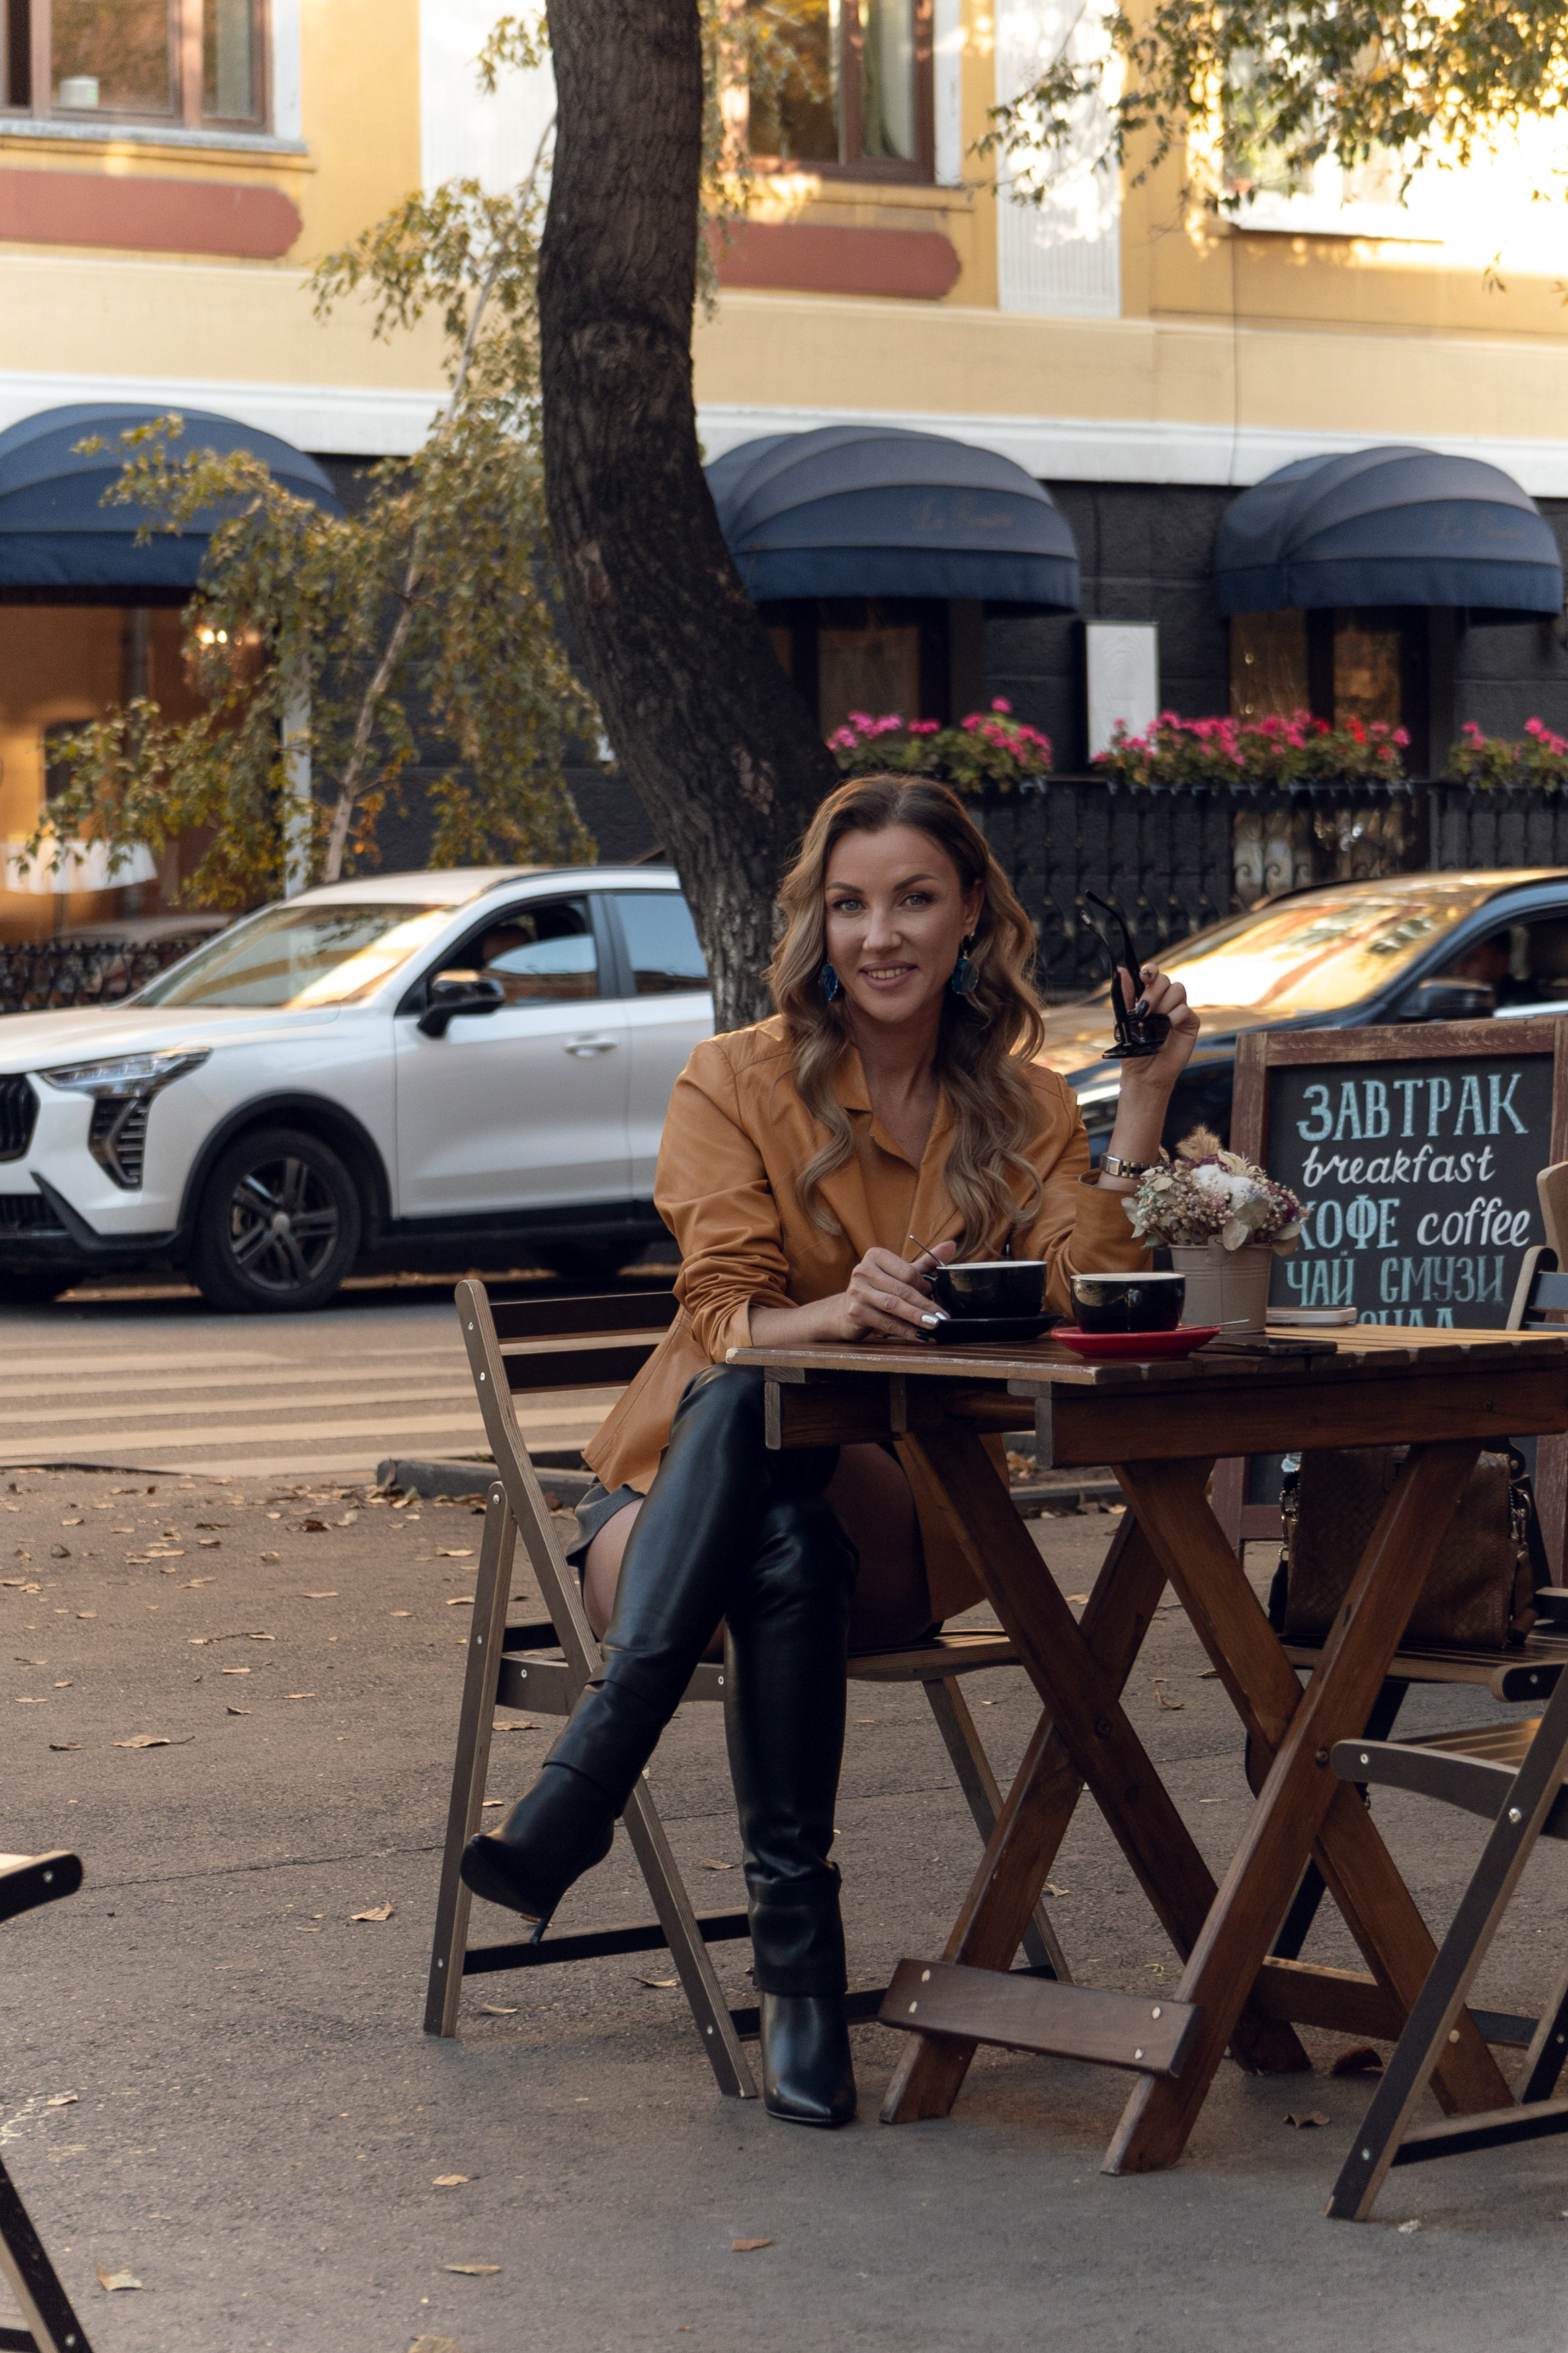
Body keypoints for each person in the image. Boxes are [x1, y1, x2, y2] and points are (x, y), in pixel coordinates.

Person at [461, 774, 1199, 2126]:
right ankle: (799, 1975)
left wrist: (1140, 1104)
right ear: (818, 922)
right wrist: (834, 1315)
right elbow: (721, 1307)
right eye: (851, 904)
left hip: (914, 1515)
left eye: (916, 898)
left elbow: (1084, 1285)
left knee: (772, 1434)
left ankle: (594, 1767)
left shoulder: (1027, 1102)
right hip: (677, 1513)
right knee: (771, 1475)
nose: (882, 934)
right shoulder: (734, 1078)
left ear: (970, 911)